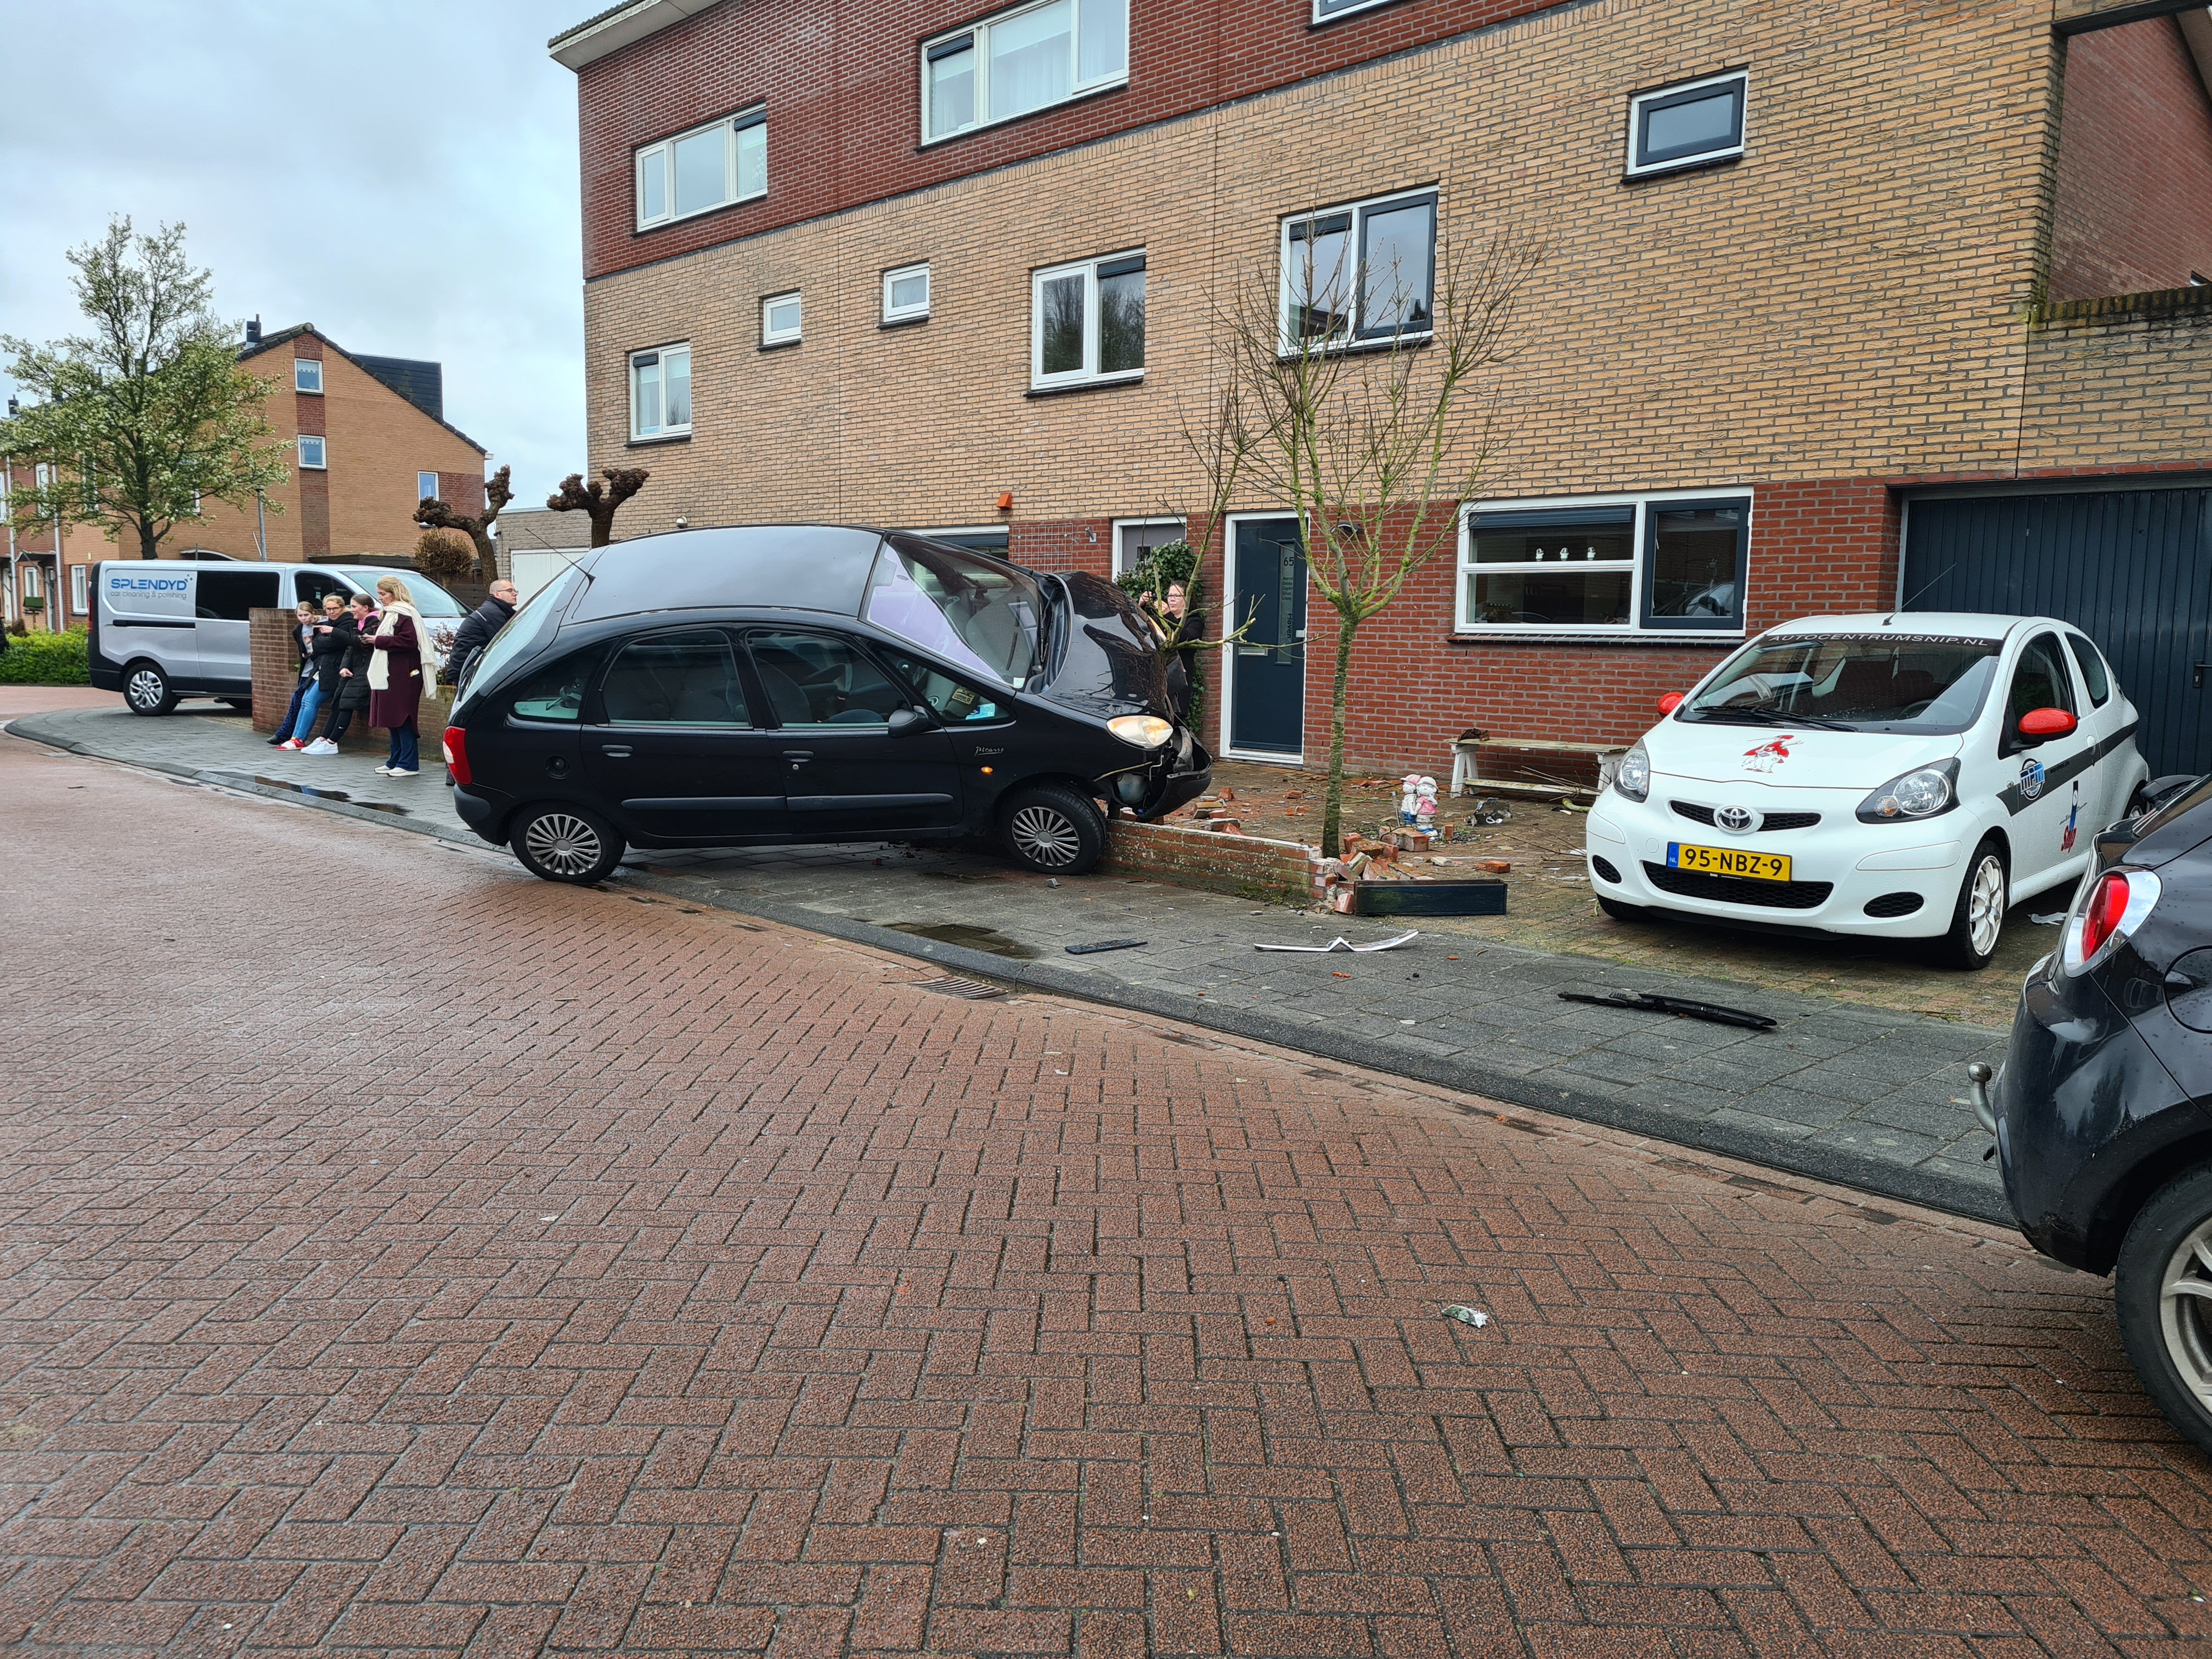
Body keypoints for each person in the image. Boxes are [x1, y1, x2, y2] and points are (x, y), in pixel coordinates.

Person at [366, 576, 428, 777]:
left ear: (395, 592)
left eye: (383, 594)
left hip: (406, 672)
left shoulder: (406, 614)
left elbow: (410, 641)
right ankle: (395, 759)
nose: (380, 598)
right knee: (391, 716)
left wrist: (379, 640)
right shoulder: (388, 614)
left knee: (403, 716)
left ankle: (409, 764)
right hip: (389, 671)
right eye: (379, 594)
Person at [308, 593, 377, 751]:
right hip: (353, 668)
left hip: (365, 669)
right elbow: (350, 647)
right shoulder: (357, 623)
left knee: (346, 703)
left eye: (354, 607)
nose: (351, 610)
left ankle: (332, 742)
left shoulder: (373, 623)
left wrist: (334, 631)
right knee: (338, 702)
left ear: (365, 608)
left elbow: (359, 643)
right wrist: (344, 666)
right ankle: (324, 738)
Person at [445, 579, 518, 686]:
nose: (515, 593)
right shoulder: (492, 613)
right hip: (468, 670)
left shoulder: (498, 610)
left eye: (515, 590)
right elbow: (506, 643)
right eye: (510, 590)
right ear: (497, 594)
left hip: (471, 668)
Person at [268, 602, 322, 746]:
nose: (304, 618)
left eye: (307, 615)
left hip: (319, 668)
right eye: (300, 615)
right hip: (307, 668)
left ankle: (288, 734)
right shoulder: (298, 630)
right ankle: (289, 734)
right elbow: (302, 650)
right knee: (299, 698)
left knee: (302, 698)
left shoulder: (322, 625)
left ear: (313, 613)